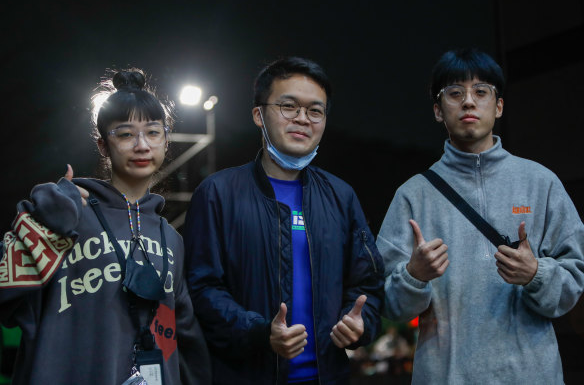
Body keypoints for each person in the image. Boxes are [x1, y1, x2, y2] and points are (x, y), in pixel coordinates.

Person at [376, 47, 584, 384]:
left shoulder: (541, 183)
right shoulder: (413, 195)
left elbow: (575, 280)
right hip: (446, 376)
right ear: (438, 110)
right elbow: (387, 303)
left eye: (481, 92)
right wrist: (414, 276)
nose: (468, 102)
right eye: (455, 93)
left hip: (532, 375)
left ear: (498, 106)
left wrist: (536, 273)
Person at [0, 69, 211, 384]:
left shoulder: (171, 239)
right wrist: (45, 219)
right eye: (125, 134)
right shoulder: (71, 213)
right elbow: (8, 296)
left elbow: (177, 335)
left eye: (153, 132)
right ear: (102, 145)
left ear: (166, 141)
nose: (142, 145)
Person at [184, 56, 385, 385]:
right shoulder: (216, 193)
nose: (302, 119)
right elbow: (201, 289)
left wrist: (362, 325)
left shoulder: (341, 196)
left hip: (327, 376)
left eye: (315, 110)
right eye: (288, 106)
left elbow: (369, 285)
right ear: (258, 115)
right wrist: (261, 333)